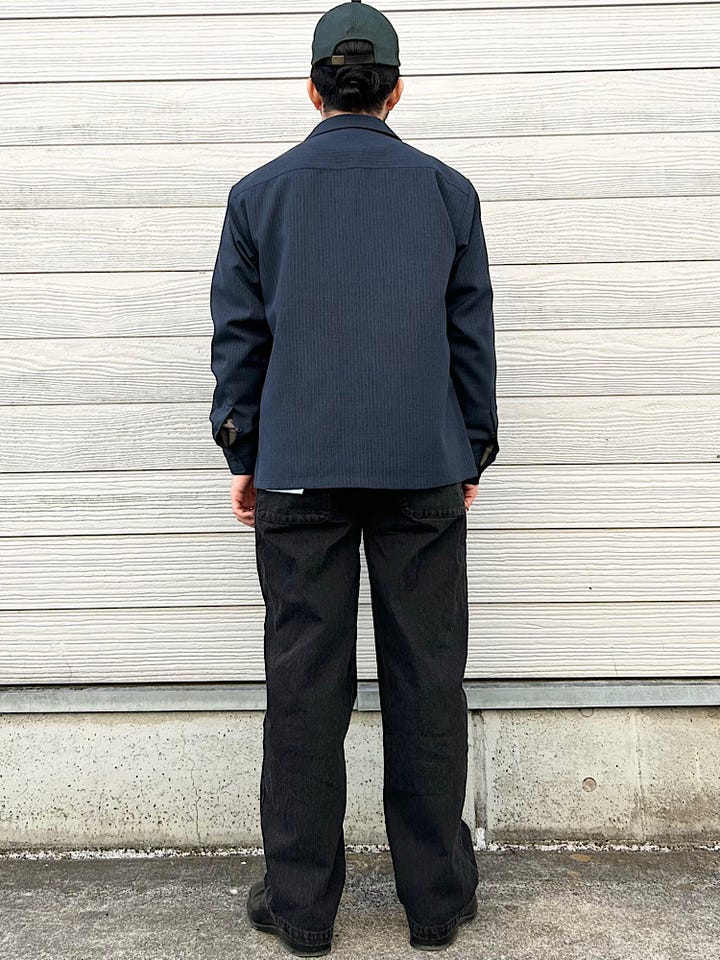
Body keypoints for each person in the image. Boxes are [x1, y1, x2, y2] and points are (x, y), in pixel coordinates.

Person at [208, 2, 499, 954]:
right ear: (396, 91)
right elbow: (469, 334)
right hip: (421, 467)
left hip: (298, 470)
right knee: (428, 680)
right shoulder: (447, 192)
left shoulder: (259, 195)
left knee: (303, 688)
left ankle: (301, 910)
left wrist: (244, 452)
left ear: (313, 89)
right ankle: (435, 903)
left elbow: (240, 339)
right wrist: (472, 448)